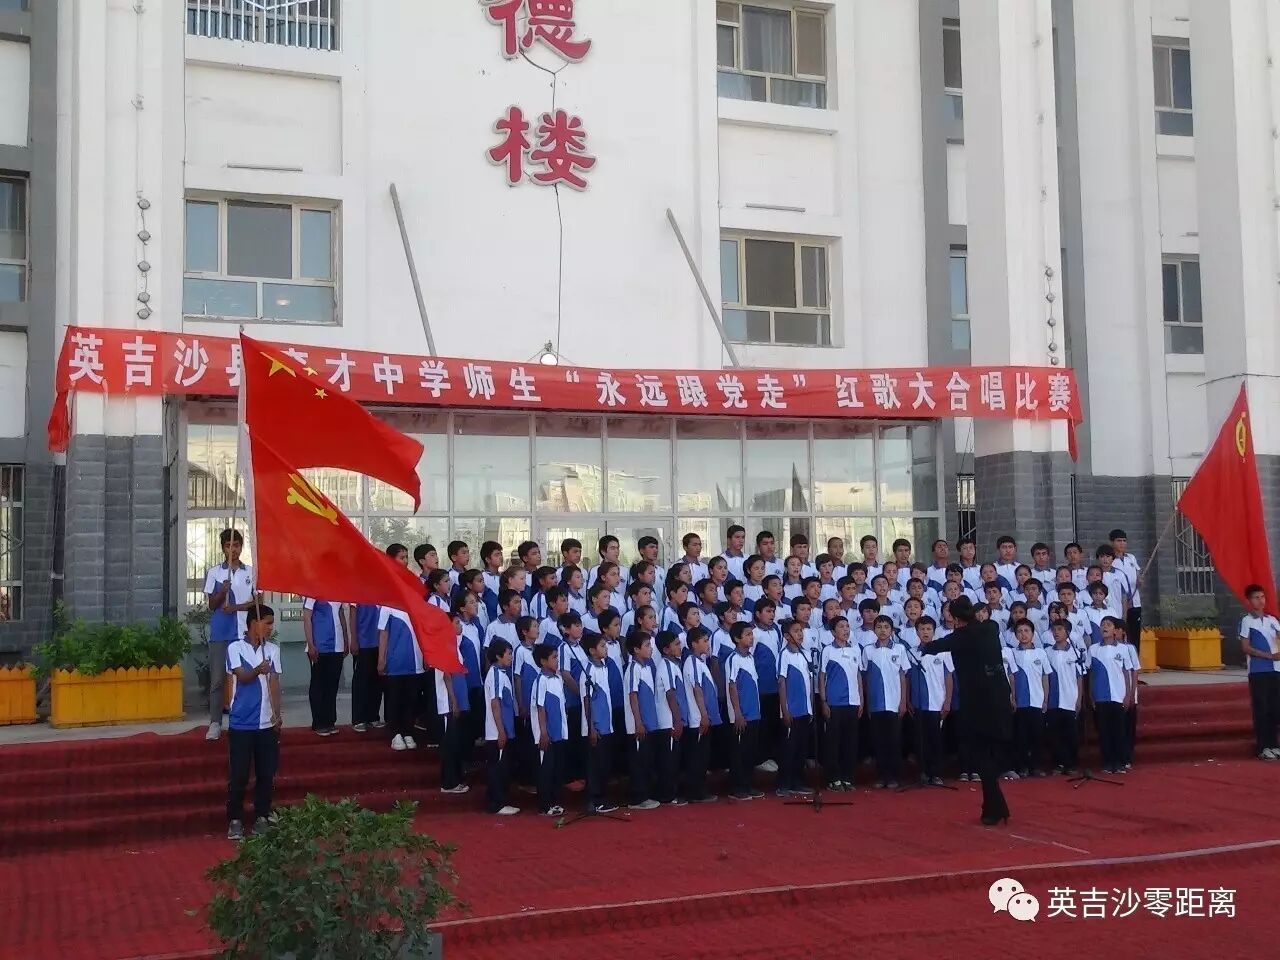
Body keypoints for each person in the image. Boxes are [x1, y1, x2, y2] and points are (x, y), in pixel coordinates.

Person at [923, 597, 1014, 826]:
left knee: (981, 754)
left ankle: (994, 807)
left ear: (955, 618)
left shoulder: (961, 637)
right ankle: (994, 806)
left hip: (978, 703)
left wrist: (923, 646)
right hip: (1000, 698)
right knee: (991, 753)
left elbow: (934, 646)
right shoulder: (990, 628)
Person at [225, 603, 282, 841]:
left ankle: (261, 816)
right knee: (239, 774)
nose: (270, 628)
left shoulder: (273, 650)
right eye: (267, 623)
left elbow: (275, 683)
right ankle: (235, 819)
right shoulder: (235, 648)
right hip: (241, 723)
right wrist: (259, 669)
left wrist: (277, 714)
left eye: (271, 624)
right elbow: (242, 676)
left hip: (266, 723)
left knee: (266, 774)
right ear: (253, 623)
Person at [203, 528, 258, 741]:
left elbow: (258, 602)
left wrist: (236, 608)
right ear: (223, 548)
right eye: (228, 546)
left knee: (242, 678)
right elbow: (211, 605)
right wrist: (222, 592)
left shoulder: (251, 572)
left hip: (243, 632)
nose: (232, 549)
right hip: (220, 633)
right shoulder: (215, 573)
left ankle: (241, 721)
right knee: (217, 680)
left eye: (236, 545)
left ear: (241, 547)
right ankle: (215, 723)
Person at [862, 615, 908, 789]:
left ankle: (894, 776)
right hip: (876, 703)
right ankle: (881, 775)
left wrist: (903, 702)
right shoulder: (868, 650)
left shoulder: (900, 649)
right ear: (874, 630)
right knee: (878, 741)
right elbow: (865, 678)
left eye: (886, 627)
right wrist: (867, 703)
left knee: (894, 740)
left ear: (892, 630)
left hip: (894, 702)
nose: (882, 630)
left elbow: (903, 677)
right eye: (879, 627)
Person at [818, 615, 862, 791]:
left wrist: (861, 699)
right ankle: (833, 778)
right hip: (835, 702)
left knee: (850, 742)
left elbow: (858, 675)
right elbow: (822, 676)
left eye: (847, 626)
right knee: (833, 742)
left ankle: (847, 777)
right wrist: (823, 701)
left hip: (853, 702)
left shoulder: (855, 650)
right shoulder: (828, 650)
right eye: (841, 627)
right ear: (833, 631)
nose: (845, 630)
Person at [1088, 616, 1134, 775]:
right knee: (1104, 731)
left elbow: (1126, 673)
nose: (1104, 627)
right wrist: (1091, 695)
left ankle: (1119, 762)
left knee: (1119, 731)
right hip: (1101, 696)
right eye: (1102, 625)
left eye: (1108, 624)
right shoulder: (1093, 649)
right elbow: (1091, 674)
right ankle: (1107, 762)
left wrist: (1128, 695)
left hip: (1118, 695)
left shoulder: (1123, 649)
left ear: (1115, 630)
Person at [725, 621, 764, 801]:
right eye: (747, 634)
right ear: (736, 638)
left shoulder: (750, 657)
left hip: (754, 711)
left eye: (751, 634)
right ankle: (737, 787)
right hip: (741, 714)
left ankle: (748, 784)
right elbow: (732, 685)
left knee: (750, 751)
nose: (751, 637)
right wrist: (738, 713)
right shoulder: (733, 658)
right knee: (739, 752)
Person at [911, 615, 952, 786]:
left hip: (937, 702)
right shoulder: (912, 652)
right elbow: (908, 678)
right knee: (921, 740)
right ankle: (923, 771)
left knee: (936, 739)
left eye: (928, 629)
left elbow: (948, 676)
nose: (925, 632)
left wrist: (947, 701)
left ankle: (936, 773)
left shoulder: (943, 652)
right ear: (917, 632)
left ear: (934, 631)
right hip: (919, 703)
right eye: (922, 629)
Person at [1240, 584, 1280, 760]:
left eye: (1262, 597)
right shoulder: (1247, 621)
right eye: (1256, 597)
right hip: (1258, 671)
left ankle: (1274, 745)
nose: (1260, 600)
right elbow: (1246, 647)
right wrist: (1268, 656)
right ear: (1249, 601)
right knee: (1261, 708)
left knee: (1275, 708)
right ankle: (1263, 747)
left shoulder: (1273, 620)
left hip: (1276, 670)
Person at [377, 604, 424, 752]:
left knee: (411, 698)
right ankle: (395, 734)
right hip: (395, 661)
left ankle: (408, 732)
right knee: (394, 698)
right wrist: (381, 658)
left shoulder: (416, 604)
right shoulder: (387, 607)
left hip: (415, 661)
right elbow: (383, 633)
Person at [580, 632, 618, 814]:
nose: (606, 648)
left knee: (604, 763)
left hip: (606, 723)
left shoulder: (603, 667)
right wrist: (592, 727)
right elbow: (587, 700)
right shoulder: (588, 670)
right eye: (602, 646)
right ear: (592, 650)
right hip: (595, 726)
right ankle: (594, 800)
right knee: (595, 765)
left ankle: (602, 798)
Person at [681, 626, 720, 803]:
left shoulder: (700, 661)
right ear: (694, 644)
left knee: (703, 757)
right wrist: (703, 715)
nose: (708, 644)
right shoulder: (692, 662)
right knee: (697, 758)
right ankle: (695, 792)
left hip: (704, 717)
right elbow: (697, 688)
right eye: (704, 641)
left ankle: (700, 790)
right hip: (698, 719)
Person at [777, 619, 815, 797]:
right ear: (786, 636)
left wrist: (811, 707)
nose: (800, 634)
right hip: (791, 709)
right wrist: (785, 710)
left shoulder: (806, 654)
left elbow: (809, 682)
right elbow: (781, 682)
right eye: (796, 631)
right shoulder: (784, 655)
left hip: (805, 709)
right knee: (789, 748)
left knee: (801, 747)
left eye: (801, 630)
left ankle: (798, 781)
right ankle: (785, 783)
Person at [624, 631, 661, 811]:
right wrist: (638, 722)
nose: (650, 649)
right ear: (636, 649)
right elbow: (633, 695)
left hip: (649, 721)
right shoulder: (633, 669)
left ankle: (646, 793)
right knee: (638, 761)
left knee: (647, 760)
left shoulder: (646, 667)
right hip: (638, 725)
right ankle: (638, 797)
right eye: (647, 646)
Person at [1009, 619, 1050, 778]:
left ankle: (1036, 766)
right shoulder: (1012, 654)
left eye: (1026, 631)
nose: (1023, 634)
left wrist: (1045, 699)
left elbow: (1045, 677)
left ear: (1033, 634)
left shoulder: (1041, 653)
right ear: (1015, 635)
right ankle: (1022, 766)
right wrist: (1013, 698)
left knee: (1037, 735)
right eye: (1020, 631)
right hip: (1020, 702)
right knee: (1021, 736)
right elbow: (1011, 678)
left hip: (1037, 700)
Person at [530, 643, 568, 817]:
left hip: (559, 731)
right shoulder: (541, 681)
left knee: (557, 769)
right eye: (554, 658)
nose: (557, 660)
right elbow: (540, 707)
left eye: (557, 657)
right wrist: (543, 732)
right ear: (543, 661)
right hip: (546, 734)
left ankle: (554, 801)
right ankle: (544, 805)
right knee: (546, 769)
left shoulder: (558, 679)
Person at [302, 597, 349, 737]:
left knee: (332, 686)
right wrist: (311, 644)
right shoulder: (312, 592)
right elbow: (307, 617)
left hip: (337, 645)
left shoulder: (337, 591)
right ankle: (319, 723)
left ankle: (330, 721)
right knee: (318, 685)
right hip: (320, 646)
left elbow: (341, 615)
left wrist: (346, 640)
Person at [437, 608, 471, 795]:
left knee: (456, 742)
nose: (460, 625)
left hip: (456, 700)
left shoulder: (453, 645)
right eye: (456, 623)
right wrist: (453, 700)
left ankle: (455, 778)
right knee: (449, 744)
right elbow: (446, 675)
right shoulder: (444, 646)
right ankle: (448, 783)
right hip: (447, 704)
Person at [483, 638, 519, 816]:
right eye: (509, 654)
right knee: (497, 768)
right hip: (496, 731)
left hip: (503, 729)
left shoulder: (502, 674)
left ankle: (499, 800)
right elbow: (495, 703)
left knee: (502, 767)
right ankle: (497, 803)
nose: (511, 657)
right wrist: (500, 731)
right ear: (498, 656)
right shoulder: (496, 674)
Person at [654, 631, 688, 806]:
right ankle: (667, 794)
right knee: (669, 760)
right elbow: (670, 694)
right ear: (666, 649)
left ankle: (670, 792)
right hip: (668, 721)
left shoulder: (673, 665)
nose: (679, 646)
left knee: (674, 758)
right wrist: (677, 720)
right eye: (676, 644)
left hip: (672, 720)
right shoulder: (666, 666)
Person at [1045, 619, 1084, 774]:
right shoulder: (1047, 652)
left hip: (1070, 698)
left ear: (1068, 632)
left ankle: (1071, 764)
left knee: (1071, 734)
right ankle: (1058, 764)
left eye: (1060, 629)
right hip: (1053, 699)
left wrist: (1079, 699)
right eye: (1054, 630)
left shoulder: (1075, 653)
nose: (1056, 633)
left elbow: (1080, 678)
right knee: (1055, 733)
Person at [348, 598, 384, 732]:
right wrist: (354, 639)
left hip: (379, 643)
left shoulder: (380, 592)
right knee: (361, 682)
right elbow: (353, 615)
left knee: (377, 681)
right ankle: (359, 719)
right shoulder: (357, 591)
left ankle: (373, 716)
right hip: (363, 642)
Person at [1109, 529, 1143, 652]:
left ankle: (1134, 658)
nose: (1122, 543)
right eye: (1119, 541)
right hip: (1119, 604)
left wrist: (1140, 581)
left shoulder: (1131, 558)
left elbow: (1138, 575)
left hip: (1135, 603)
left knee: (1134, 634)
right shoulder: (1110, 560)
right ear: (1112, 542)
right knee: (1119, 633)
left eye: (1124, 541)